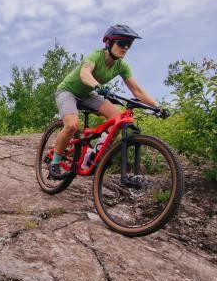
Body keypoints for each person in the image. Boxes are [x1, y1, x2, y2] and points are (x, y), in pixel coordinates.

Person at [49, 24, 167, 179]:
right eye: (121, 43)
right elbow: (85, 74)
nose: (125, 48)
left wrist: (157, 107)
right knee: (71, 125)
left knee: (119, 118)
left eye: (129, 44)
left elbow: (137, 91)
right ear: (109, 43)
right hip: (67, 91)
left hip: (87, 94)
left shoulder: (121, 66)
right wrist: (98, 86)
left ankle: (96, 155)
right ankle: (54, 163)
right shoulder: (95, 56)